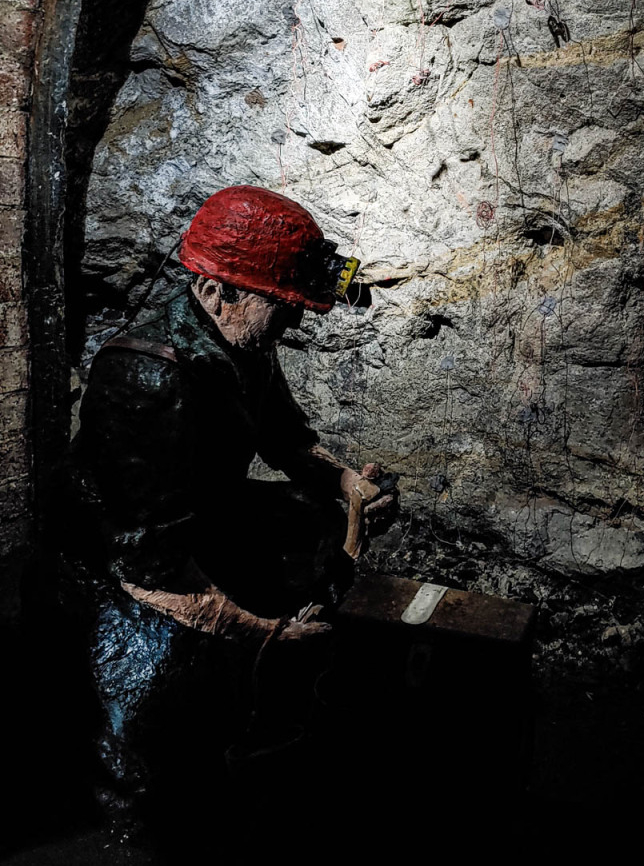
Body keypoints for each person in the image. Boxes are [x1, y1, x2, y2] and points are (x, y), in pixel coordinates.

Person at [64, 184, 395, 814]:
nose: (295, 322)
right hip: (116, 559)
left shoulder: (242, 342)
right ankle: (151, 771)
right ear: (217, 291)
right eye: (283, 306)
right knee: (155, 762)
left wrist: (348, 484)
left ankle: (263, 701)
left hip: (193, 513)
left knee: (315, 518)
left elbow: (288, 440)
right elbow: (146, 558)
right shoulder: (149, 375)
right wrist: (260, 633)